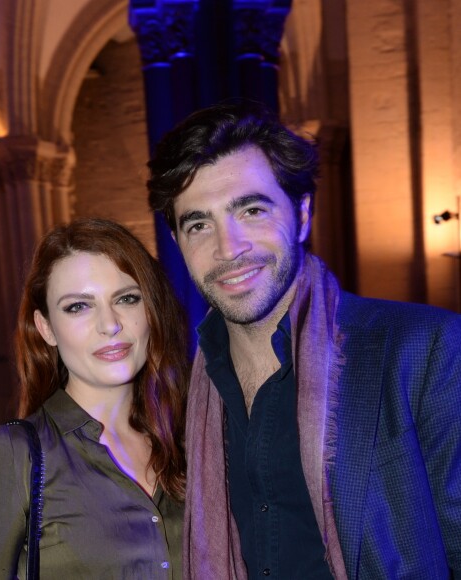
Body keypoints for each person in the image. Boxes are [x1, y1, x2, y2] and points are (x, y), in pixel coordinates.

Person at [147, 101, 461, 579]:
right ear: (177, 242)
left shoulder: (424, 349)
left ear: (303, 212)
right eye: (198, 224)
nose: (228, 248)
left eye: (251, 210)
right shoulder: (188, 400)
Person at [0, 218, 189, 579]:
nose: (110, 324)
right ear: (46, 327)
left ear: (150, 311)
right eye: (79, 306)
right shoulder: (11, 456)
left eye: (126, 298)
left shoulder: (189, 440)